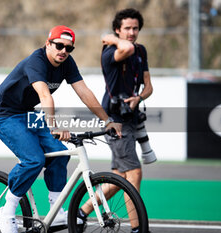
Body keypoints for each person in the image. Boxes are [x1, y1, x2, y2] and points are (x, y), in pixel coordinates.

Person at [0, 25, 121, 233]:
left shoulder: (66, 62)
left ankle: (57, 210)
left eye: (69, 48)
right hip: (5, 114)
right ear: (48, 43)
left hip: (27, 112)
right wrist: (53, 126)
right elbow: (44, 96)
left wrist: (107, 120)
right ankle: (6, 212)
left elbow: (84, 92)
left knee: (60, 154)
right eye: (59, 46)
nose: (63, 51)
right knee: (34, 160)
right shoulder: (36, 62)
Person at [78, 9, 153, 233]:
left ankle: (81, 213)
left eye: (135, 28)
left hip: (131, 117)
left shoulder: (141, 50)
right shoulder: (110, 51)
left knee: (121, 176)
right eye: (127, 28)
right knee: (134, 173)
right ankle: (138, 228)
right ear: (118, 30)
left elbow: (149, 87)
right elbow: (126, 48)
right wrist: (111, 38)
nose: (132, 32)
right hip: (114, 120)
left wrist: (138, 97)